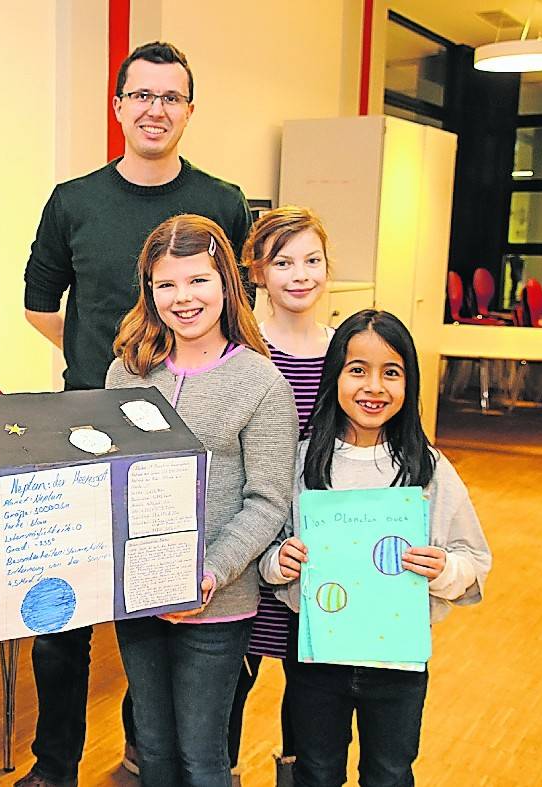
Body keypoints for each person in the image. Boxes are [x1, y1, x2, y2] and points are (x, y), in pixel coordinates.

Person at [19, 41, 252, 787]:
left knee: (163, 605)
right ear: (118, 106)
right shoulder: (73, 200)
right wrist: (122, 363)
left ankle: (142, 753)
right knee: (61, 617)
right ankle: (54, 765)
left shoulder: (221, 201)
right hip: (82, 430)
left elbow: (239, 306)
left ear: (189, 109)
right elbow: (37, 306)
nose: (155, 109)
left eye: (170, 97)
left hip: (187, 441)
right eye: (140, 95)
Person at [259, 310, 492, 787]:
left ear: (410, 383)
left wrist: (444, 568)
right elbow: (269, 548)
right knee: (316, 771)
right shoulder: (303, 462)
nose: (374, 387)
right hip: (317, 657)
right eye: (357, 370)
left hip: (398, 663)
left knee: (389, 772)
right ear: (335, 377)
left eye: (391, 372)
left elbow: (474, 559)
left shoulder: (427, 467)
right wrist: (278, 563)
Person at [105, 214, 298, 786]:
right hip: (138, 596)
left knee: (202, 754)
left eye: (198, 281)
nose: (183, 298)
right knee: (153, 749)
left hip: (217, 601)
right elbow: (108, 480)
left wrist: (212, 570)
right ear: (149, 291)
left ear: (226, 285)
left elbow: (267, 502)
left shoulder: (261, 381)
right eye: (167, 284)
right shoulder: (126, 373)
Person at [228, 207, 334, 785]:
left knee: (309, 685)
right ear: (258, 272)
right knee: (233, 680)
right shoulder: (244, 350)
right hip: (251, 539)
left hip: (315, 549)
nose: (301, 275)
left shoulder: (343, 346)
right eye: (283, 262)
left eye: (312, 261)